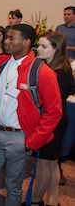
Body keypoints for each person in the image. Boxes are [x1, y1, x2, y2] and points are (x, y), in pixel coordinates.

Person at [0, 24, 63, 206]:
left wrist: (32, 142)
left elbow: (54, 113)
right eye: (7, 37)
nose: (6, 41)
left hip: (20, 137)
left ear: (27, 42)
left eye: (12, 38)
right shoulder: (0, 62)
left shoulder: (43, 72)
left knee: (13, 186)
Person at [31, 31, 74, 206]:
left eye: (44, 46)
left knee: (43, 164)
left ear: (56, 49)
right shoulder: (62, 68)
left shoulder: (56, 73)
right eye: (38, 45)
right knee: (52, 163)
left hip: (51, 123)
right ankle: (53, 201)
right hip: (58, 121)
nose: (39, 49)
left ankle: (35, 201)